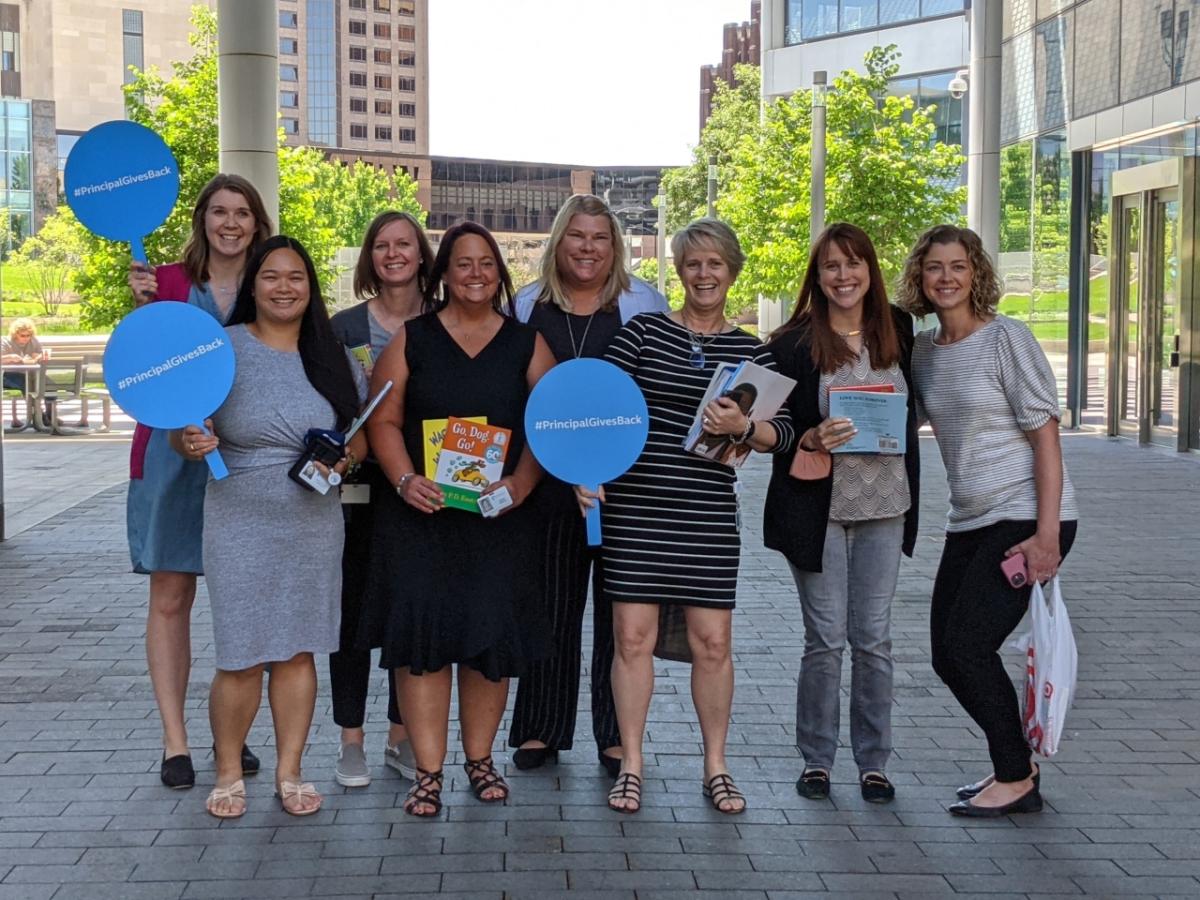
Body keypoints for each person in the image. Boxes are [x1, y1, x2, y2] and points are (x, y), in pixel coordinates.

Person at [580, 218, 794, 815]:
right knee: (631, 640)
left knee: (712, 644)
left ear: (733, 272)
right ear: (679, 271)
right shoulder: (643, 333)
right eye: (694, 263)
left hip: (705, 517)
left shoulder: (754, 353)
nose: (705, 274)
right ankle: (632, 763)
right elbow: (600, 405)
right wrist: (584, 471)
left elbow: (787, 432)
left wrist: (745, 428)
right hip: (637, 511)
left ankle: (716, 766)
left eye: (716, 264)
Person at [360, 222, 556, 817]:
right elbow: (383, 420)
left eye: (486, 264)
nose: (475, 274)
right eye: (463, 264)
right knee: (423, 645)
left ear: (500, 273)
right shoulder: (411, 340)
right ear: (442, 273)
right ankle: (427, 771)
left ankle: (480, 760)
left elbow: (549, 426)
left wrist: (520, 486)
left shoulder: (527, 343)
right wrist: (403, 480)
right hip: (423, 519)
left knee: (487, 643)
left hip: (496, 523)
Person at [177, 235, 368, 818]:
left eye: (296, 278)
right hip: (238, 517)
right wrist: (188, 442)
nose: (285, 287)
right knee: (239, 653)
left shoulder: (333, 353)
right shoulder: (221, 348)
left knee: (297, 652)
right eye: (272, 277)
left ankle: (291, 770)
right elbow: (183, 427)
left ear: (310, 289)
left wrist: (345, 457)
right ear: (254, 285)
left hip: (312, 520)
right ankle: (229, 770)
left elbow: (358, 434)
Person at [897, 224, 1079, 818]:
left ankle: (1015, 775)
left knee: (969, 646)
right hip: (970, 521)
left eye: (958, 266)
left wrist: (1047, 536)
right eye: (934, 268)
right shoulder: (924, 352)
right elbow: (894, 414)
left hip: (1027, 517)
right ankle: (1014, 765)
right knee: (946, 655)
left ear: (977, 273)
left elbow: (1046, 441)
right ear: (920, 278)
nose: (946, 277)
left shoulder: (1008, 339)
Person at [509, 194, 668, 777]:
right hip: (546, 482)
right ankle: (539, 729)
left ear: (616, 247)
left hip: (627, 482)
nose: (588, 248)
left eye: (600, 238)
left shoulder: (645, 303)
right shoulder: (527, 305)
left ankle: (613, 734)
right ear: (558, 241)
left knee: (619, 611)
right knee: (549, 606)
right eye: (577, 236)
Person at [763, 223, 921, 805]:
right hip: (818, 510)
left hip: (887, 505)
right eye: (831, 265)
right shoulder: (792, 343)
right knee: (825, 640)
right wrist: (808, 435)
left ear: (870, 271)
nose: (843, 275)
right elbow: (770, 430)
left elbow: (917, 408)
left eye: (854, 264)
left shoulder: (898, 329)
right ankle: (818, 761)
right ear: (818, 275)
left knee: (874, 639)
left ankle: (874, 762)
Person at [124, 174, 271, 790]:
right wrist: (142, 311)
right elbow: (141, 362)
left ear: (257, 223)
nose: (230, 223)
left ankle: (229, 737)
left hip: (245, 455)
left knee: (242, 601)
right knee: (171, 596)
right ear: (201, 219)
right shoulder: (164, 282)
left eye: (241, 212)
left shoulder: (271, 283)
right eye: (219, 211)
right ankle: (175, 741)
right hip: (169, 458)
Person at [327, 211, 434, 788]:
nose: (393, 254)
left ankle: (400, 735)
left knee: (406, 612)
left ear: (421, 255)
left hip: (425, 491)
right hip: (355, 492)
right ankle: (350, 742)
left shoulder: (444, 323)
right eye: (382, 246)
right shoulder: (341, 327)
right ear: (370, 258)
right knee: (350, 615)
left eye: (404, 245)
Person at [2, 318, 46, 428]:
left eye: (28, 335)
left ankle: (47, 414)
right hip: (7, 375)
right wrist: (10, 357)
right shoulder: (5, 342)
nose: (26, 338)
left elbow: (37, 355)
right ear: (15, 334)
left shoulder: (33, 341)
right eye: (23, 335)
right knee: (26, 383)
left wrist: (40, 357)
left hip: (29, 373)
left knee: (45, 381)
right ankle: (39, 415)